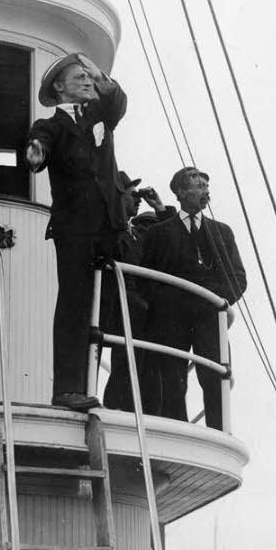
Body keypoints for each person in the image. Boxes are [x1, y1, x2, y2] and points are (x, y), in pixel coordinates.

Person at [25, 52, 128, 411]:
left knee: (119, 309)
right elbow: (39, 144)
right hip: (75, 229)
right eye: (79, 77)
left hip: (110, 227)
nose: (87, 82)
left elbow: (116, 101)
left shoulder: (101, 115)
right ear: (59, 87)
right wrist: (36, 153)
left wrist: (100, 74)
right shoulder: (51, 125)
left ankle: (116, 393)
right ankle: (68, 389)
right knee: (75, 305)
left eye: (89, 77)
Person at [141, 166, 247, 429]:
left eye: (207, 187)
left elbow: (238, 278)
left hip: (209, 318)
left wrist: (215, 301)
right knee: (172, 377)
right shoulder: (159, 233)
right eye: (199, 186)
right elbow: (146, 279)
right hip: (171, 318)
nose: (206, 191)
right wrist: (167, 303)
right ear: (180, 192)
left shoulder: (222, 232)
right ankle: (176, 431)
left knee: (214, 376)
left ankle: (219, 432)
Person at [102, 173, 176, 413]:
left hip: (141, 311)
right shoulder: (111, 229)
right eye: (133, 195)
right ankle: (119, 410)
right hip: (123, 307)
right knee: (126, 365)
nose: (139, 200)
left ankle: (150, 412)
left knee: (149, 367)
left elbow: (170, 240)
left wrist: (160, 207)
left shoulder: (136, 235)